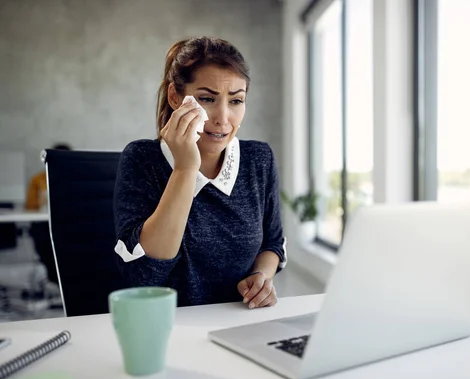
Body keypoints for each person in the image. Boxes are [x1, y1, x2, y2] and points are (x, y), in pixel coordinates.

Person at [113, 37, 286, 309]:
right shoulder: (142, 159)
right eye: (207, 99)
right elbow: (144, 276)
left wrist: (260, 277)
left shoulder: (258, 159)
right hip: (166, 328)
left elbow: (272, 243)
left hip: (238, 323)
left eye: (236, 101)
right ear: (175, 97)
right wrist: (184, 168)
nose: (223, 118)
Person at [25, 143, 72, 285]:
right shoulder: (38, 179)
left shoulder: (76, 178)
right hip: (45, 223)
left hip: (70, 223)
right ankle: (54, 277)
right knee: (44, 235)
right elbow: (30, 207)